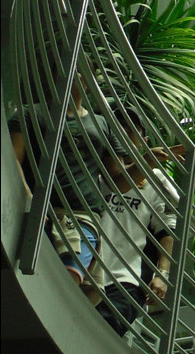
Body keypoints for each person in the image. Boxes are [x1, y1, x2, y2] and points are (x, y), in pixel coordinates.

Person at [7, 79, 107, 291]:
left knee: (69, 280)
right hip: (37, 211)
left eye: (81, 72)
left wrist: (149, 161)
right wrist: (28, 197)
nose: (74, 75)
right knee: (31, 282)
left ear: (89, 81)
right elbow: (11, 157)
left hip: (82, 215)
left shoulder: (100, 123)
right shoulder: (29, 114)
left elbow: (118, 179)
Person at [95, 110, 178, 335]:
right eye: (118, 126)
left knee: (104, 332)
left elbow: (167, 231)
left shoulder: (157, 178)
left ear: (143, 140)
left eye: (132, 129)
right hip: (86, 267)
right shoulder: (93, 163)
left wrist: (162, 275)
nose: (124, 132)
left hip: (126, 278)